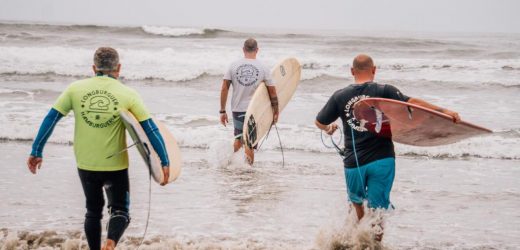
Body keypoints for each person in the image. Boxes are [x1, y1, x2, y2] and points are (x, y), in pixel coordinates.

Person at [26, 47, 171, 250]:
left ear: (93, 68)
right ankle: (110, 244)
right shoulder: (127, 94)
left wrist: (36, 151)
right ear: (118, 68)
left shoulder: (75, 89)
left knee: (93, 211)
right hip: (115, 166)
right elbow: (151, 129)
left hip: (86, 163)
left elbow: (51, 118)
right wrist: (164, 161)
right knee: (120, 210)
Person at [315, 54, 460, 240]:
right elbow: (412, 103)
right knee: (378, 209)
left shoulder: (340, 96)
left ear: (352, 71)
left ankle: (356, 240)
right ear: (374, 70)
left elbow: (319, 121)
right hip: (382, 159)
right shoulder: (385, 90)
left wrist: (329, 128)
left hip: (354, 162)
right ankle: (374, 243)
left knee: (356, 204)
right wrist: (445, 111)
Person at [219, 38, 279, 164]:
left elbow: (224, 88)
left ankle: (230, 165)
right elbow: (272, 92)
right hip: (255, 111)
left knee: (239, 138)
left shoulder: (233, 65)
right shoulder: (263, 67)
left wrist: (222, 111)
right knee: (250, 142)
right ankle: (248, 172)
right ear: (257, 50)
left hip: (237, 109)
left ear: (243, 50)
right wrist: (276, 111)